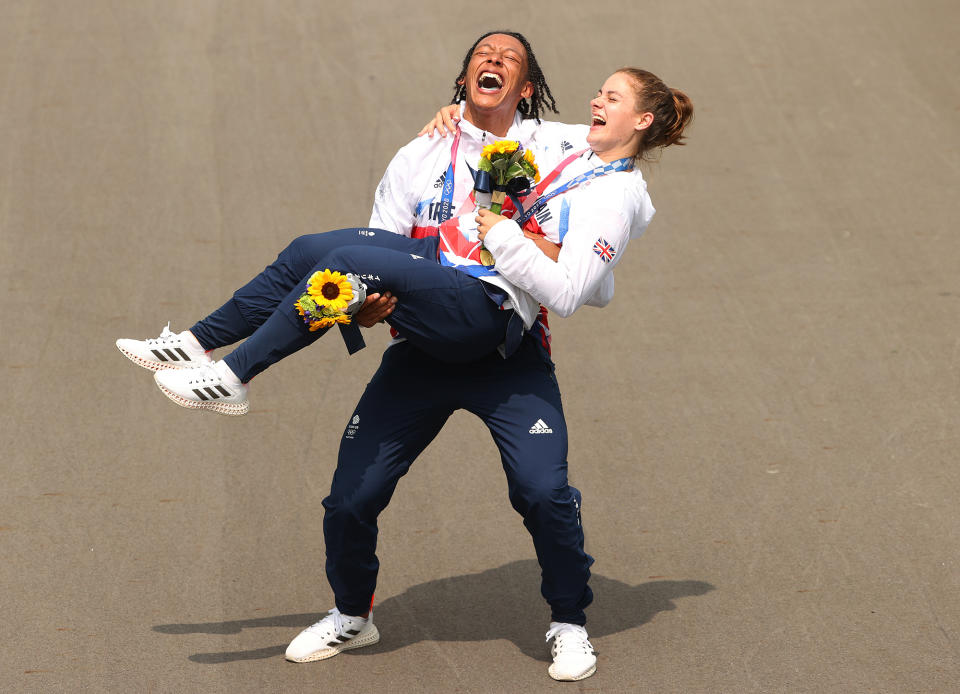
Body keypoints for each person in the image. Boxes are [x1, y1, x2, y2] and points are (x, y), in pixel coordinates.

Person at [119, 31, 692, 681]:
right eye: (483, 55)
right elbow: (378, 263)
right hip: (422, 340)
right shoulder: (420, 153)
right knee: (349, 489)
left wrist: (526, 241)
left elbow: (598, 268)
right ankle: (200, 347)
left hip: (502, 346)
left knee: (543, 492)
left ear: (528, 90)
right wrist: (360, 307)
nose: (494, 60)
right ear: (462, 79)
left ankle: (568, 623)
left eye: (510, 60)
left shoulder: (552, 143)